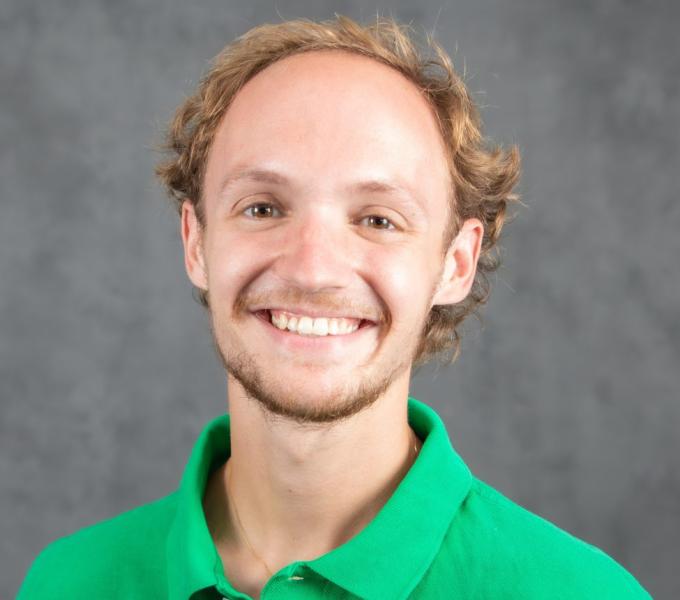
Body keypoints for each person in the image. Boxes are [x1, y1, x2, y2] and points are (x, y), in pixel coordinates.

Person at [18, 15, 650, 600]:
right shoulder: (67, 582)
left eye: (378, 219)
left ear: (454, 264)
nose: (313, 268)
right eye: (262, 208)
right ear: (196, 242)